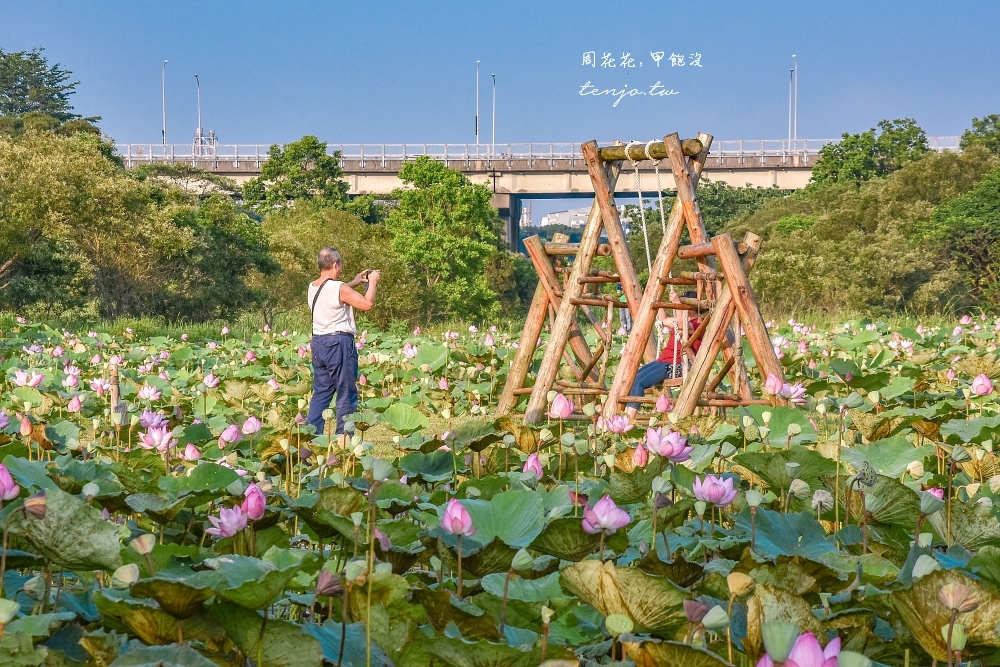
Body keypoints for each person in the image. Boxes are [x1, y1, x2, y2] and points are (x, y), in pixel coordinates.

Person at [306, 247, 381, 437]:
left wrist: (354, 282)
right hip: (338, 344)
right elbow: (367, 304)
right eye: (339, 265)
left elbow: (332, 293)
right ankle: (344, 440)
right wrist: (372, 282)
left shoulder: (313, 287)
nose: (340, 268)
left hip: (318, 344)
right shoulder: (338, 287)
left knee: (321, 394)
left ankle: (311, 438)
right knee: (346, 394)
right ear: (334, 264)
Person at [624, 291, 702, 418]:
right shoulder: (680, 321)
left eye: (682, 304)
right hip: (665, 360)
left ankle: (628, 419)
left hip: (677, 364)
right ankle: (625, 415)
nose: (680, 307)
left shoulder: (698, 323)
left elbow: (682, 325)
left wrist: (676, 303)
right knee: (634, 376)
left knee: (639, 382)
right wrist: (659, 302)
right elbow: (664, 320)